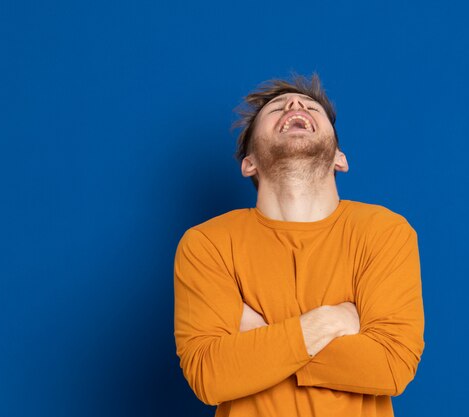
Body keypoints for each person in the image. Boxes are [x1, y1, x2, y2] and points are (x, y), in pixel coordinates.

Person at [173, 72, 425, 417]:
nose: (294, 104)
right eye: (277, 108)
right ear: (249, 163)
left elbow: (390, 365)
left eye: (310, 107)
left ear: (340, 158)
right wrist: (330, 321)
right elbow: (210, 375)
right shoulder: (207, 244)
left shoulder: (384, 233)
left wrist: (263, 337)